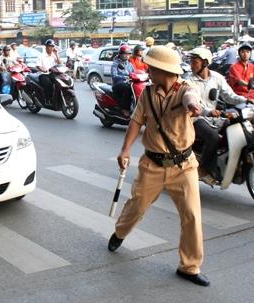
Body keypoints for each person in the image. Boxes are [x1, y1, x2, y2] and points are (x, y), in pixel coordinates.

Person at [108, 45, 210, 287]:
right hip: (152, 165)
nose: (148, 71)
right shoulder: (147, 93)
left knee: (192, 216)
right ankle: (120, 232)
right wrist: (125, 150)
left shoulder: (186, 89)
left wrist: (193, 106)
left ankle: (189, 267)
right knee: (137, 207)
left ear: (163, 70)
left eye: (151, 67)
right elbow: (136, 121)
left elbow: (190, 98)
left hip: (183, 165)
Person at [188, 47, 252, 184]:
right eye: (191, 61)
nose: (191, 65)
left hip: (215, 118)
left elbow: (229, 96)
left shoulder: (217, 77)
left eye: (195, 62)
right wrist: (208, 111)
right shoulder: (189, 81)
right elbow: (194, 101)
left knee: (236, 125)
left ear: (205, 63)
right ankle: (203, 169)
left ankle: (228, 162)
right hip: (196, 118)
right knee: (213, 137)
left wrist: (246, 100)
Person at [111, 45, 135, 115]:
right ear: (121, 54)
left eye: (129, 54)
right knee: (128, 88)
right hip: (117, 85)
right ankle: (125, 108)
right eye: (125, 54)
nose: (127, 56)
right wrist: (125, 77)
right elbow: (114, 76)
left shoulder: (130, 64)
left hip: (128, 83)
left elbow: (134, 73)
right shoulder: (116, 64)